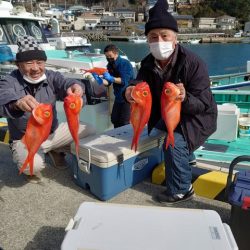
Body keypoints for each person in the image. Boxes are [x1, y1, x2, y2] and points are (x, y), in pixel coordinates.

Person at [124, 0, 218, 204]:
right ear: (148, 41)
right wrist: (128, 93)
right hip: (168, 112)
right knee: (159, 134)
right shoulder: (147, 63)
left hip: (198, 116)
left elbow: (202, 103)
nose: (159, 41)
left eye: (164, 35)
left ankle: (182, 190)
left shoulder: (193, 63)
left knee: (172, 144)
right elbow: (136, 83)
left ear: (175, 39)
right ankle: (187, 156)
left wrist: (184, 98)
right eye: (153, 37)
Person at [0, 36, 95, 183]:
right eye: (29, 63)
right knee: (31, 167)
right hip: (26, 138)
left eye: (40, 62)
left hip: (53, 132)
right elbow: (3, 98)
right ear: (18, 65)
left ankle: (55, 149)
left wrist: (76, 87)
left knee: (89, 130)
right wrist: (16, 103)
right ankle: (33, 153)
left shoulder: (51, 76)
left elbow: (66, 82)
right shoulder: (9, 81)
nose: (36, 68)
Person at [92, 44, 134, 128]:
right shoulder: (109, 65)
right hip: (118, 98)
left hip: (128, 98)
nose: (108, 58)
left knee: (124, 121)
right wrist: (100, 80)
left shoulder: (125, 64)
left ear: (116, 54)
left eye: (110, 56)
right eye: (107, 57)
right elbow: (108, 82)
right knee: (114, 119)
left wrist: (111, 78)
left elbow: (124, 80)